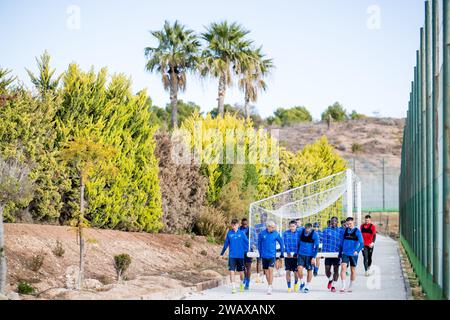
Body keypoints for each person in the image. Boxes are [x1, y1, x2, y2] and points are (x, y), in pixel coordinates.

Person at [220, 219, 249, 294]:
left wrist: (250, 250)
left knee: (241, 272)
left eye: (235, 225)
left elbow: (247, 243)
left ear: (238, 225)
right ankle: (233, 287)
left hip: (240, 256)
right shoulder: (229, 233)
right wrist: (221, 254)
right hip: (232, 256)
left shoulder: (242, 233)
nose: (234, 226)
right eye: (232, 225)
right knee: (231, 271)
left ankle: (242, 284)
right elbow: (226, 244)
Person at [257, 220, 284, 295]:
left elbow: (281, 243)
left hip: (272, 255)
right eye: (272, 227)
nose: (273, 228)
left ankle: (269, 286)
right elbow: (259, 244)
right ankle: (270, 284)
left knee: (270, 270)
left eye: (274, 227)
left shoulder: (276, 233)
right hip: (264, 255)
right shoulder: (262, 234)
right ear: (268, 227)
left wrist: (282, 253)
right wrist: (260, 253)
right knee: (266, 272)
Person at [339, 217, 364, 293]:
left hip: (353, 254)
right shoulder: (345, 231)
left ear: (353, 223)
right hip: (345, 253)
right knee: (343, 268)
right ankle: (343, 286)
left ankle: (351, 285)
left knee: (352, 270)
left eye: (350, 223)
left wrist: (357, 250)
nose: (349, 225)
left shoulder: (357, 231)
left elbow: (362, 243)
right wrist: (340, 252)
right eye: (347, 224)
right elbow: (341, 242)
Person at [296, 223, 319, 293]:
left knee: (309, 270)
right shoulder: (301, 232)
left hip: (309, 255)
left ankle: (308, 286)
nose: (307, 231)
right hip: (301, 254)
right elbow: (298, 243)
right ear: (305, 228)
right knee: (299, 269)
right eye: (306, 229)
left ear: (311, 228)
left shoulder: (315, 234)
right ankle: (302, 282)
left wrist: (314, 257)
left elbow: (317, 247)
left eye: (309, 229)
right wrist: (297, 252)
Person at [322, 216, 341, 292]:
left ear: (337, 222)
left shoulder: (340, 231)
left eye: (335, 221)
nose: (333, 222)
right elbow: (324, 242)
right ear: (330, 222)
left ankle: (334, 286)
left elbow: (342, 242)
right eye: (332, 221)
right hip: (328, 253)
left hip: (337, 254)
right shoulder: (326, 230)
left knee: (336, 270)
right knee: (327, 271)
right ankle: (330, 279)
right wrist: (323, 253)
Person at [282, 220, 301, 293]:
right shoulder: (286, 233)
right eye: (290, 226)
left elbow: (300, 244)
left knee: (296, 272)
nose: (292, 228)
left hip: (296, 255)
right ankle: (289, 287)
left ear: (296, 226)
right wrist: (288, 252)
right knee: (287, 271)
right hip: (288, 255)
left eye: (293, 226)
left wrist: (296, 252)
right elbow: (285, 243)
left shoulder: (299, 234)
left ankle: (296, 284)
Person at [239, 218, 254, 289]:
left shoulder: (250, 230)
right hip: (241, 250)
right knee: (243, 267)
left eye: (246, 224)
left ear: (247, 224)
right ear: (241, 224)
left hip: (249, 251)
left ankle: (248, 282)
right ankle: (245, 277)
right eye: (243, 224)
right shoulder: (239, 229)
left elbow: (254, 239)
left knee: (248, 267)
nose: (245, 225)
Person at [254, 212, 268, 283]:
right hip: (258, 245)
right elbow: (254, 235)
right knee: (258, 261)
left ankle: (264, 277)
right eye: (261, 217)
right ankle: (258, 276)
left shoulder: (268, 226)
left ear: (266, 218)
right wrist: (254, 243)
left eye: (264, 217)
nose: (262, 218)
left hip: (266, 246)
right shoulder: (257, 226)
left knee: (265, 261)